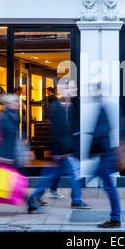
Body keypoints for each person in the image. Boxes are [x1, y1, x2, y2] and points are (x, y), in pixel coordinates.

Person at [27, 81, 91, 214]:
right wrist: (60, 152)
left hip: (64, 150)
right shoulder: (58, 107)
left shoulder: (68, 105)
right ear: (64, 89)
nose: (75, 89)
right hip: (63, 151)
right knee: (74, 175)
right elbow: (57, 131)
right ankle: (76, 200)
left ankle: (34, 197)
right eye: (72, 87)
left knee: (51, 175)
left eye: (75, 86)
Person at [88, 83, 121, 228]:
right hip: (106, 155)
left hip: (106, 156)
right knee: (106, 184)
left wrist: (91, 151)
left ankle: (115, 219)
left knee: (109, 187)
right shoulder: (104, 107)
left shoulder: (102, 108)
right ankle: (115, 217)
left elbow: (100, 134)